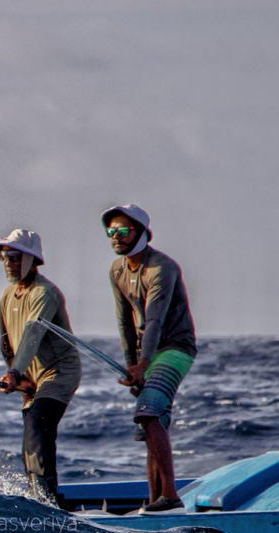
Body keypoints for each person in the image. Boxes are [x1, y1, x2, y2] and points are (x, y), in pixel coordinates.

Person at [103, 204, 196, 512]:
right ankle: (157, 499)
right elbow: (124, 323)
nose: (116, 237)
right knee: (151, 422)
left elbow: (154, 320)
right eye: (112, 231)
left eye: (124, 231)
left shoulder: (162, 268)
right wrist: (134, 366)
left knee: (147, 411)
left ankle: (171, 497)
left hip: (175, 349)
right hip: (147, 355)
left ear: (142, 233)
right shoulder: (117, 271)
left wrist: (143, 364)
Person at [0, 229, 81, 505]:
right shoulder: (7, 296)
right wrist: (21, 378)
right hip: (30, 376)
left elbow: (32, 334)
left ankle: (48, 501)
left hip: (59, 372)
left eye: (14, 257)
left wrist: (14, 373)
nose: (8, 263)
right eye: (4, 257)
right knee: (30, 434)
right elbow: (7, 343)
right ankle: (39, 497)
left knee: (39, 423)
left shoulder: (45, 293)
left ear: (32, 260)